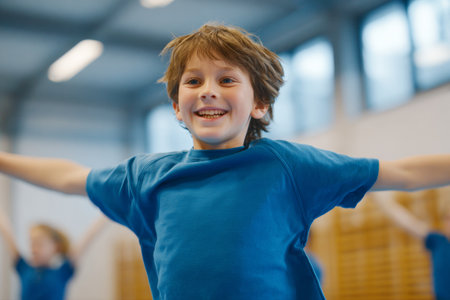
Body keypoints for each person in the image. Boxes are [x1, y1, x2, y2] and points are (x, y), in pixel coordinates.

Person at [0, 23, 450, 299]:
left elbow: (403, 173)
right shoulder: (147, 177)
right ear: (177, 106)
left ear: (260, 105)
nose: (208, 90)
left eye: (227, 79)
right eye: (193, 81)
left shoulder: (287, 167)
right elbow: (70, 178)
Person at [0, 208, 108, 300]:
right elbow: (8, 235)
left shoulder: (62, 272)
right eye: (32, 243)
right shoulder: (24, 268)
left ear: (55, 247)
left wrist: (106, 213)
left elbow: (87, 238)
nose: (34, 249)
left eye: (39, 244)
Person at [373, 191, 450, 300]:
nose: (448, 223)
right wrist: (382, 201)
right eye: (447, 218)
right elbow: (409, 223)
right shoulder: (439, 241)